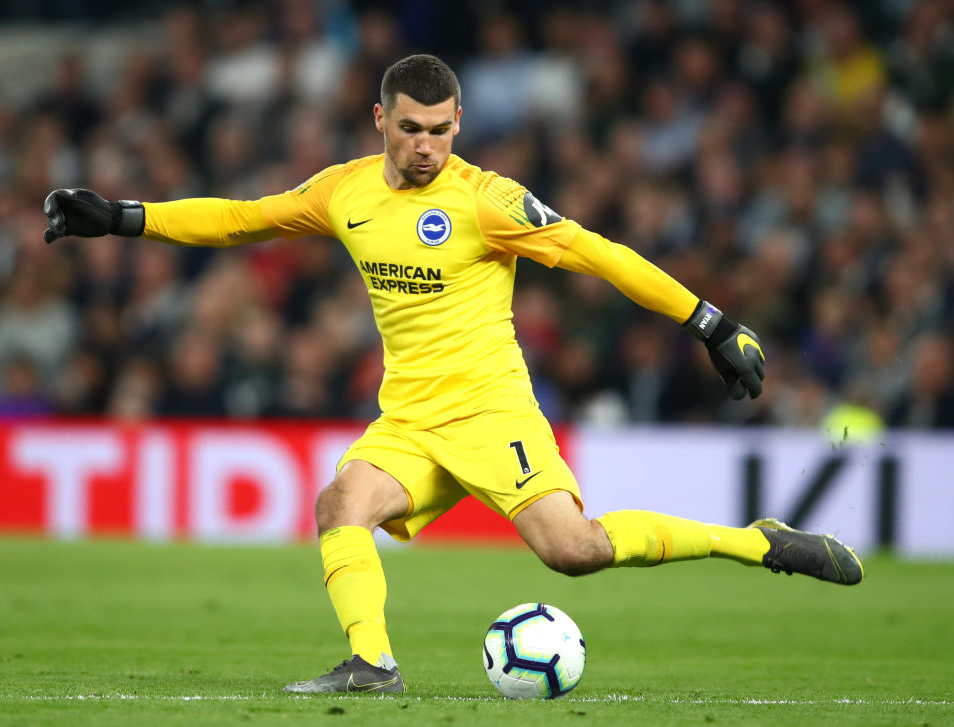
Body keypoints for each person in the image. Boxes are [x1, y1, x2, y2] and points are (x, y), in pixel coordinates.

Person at [42, 54, 862, 695]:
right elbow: (240, 220)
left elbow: (598, 254)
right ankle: (371, 663)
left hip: (490, 410)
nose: (427, 145)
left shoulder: (489, 201)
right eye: (411, 128)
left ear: (459, 121)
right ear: (379, 121)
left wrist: (708, 321)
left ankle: (755, 542)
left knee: (572, 550)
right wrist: (122, 217)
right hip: (407, 420)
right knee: (339, 502)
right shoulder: (343, 192)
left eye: (441, 128)